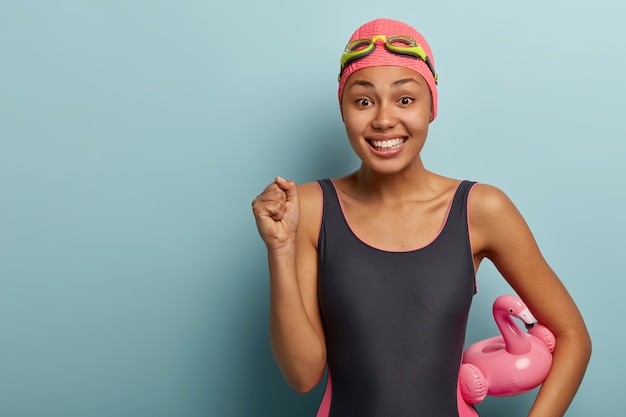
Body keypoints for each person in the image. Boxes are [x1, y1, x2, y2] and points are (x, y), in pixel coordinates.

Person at [251, 18, 591, 417]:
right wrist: (279, 247)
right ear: (342, 109)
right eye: (363, 101)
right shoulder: (309, 207)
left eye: (405, 99)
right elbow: (302, 375)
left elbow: (573, 337)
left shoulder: (480, 209)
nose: (383, 119)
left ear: (432, 107)